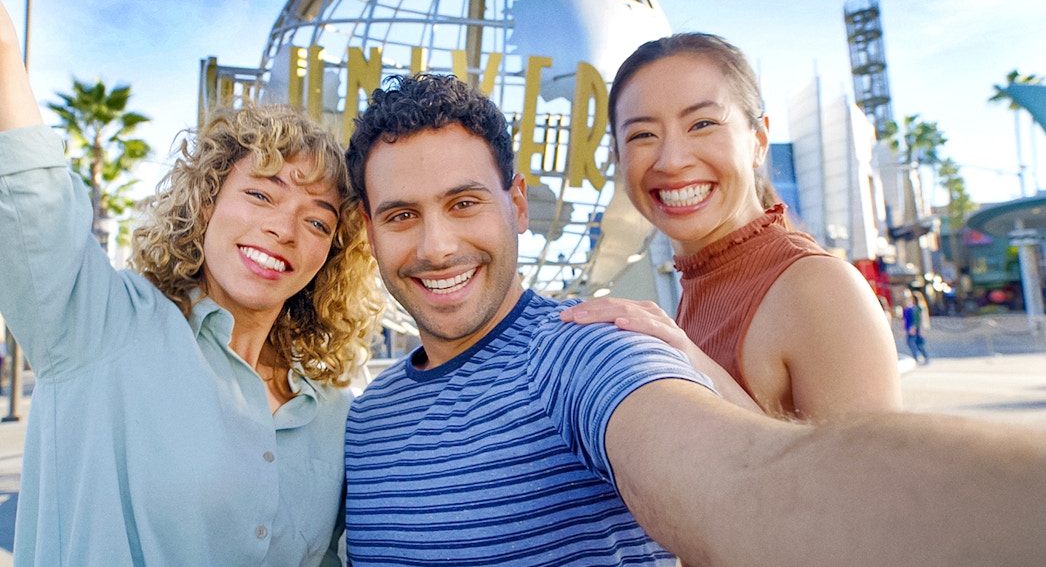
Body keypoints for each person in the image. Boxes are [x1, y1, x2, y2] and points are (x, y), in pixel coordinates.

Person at [342, 73, 1046, 567]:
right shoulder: (366, 419)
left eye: (465, 203)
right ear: (369, 229)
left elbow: (750, 480)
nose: (436, 245)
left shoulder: (585, 349)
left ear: (518, 205)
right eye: (402, 215)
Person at [0, 0, 382, 564]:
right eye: (263, 194)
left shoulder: (331, 405)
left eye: (318, 219)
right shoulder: (95, 324)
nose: (285, 228)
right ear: (207, 200)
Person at [563, 32, 902, 420]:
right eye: (642, 135)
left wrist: (695, 366)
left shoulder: (819, 288)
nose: (672, 160)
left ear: (758, 141)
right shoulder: (693, 290)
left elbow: (868, 478)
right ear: (618, 158)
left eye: (702, 123)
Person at [903, 292, 930, 365]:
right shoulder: (914, 308)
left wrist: (921, 328)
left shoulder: (920, 308)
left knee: (918, 343)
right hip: (915, 327)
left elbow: (921, 319)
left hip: (918, 328)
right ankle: (918, 357)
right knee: (916, 343)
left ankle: (923, 356)